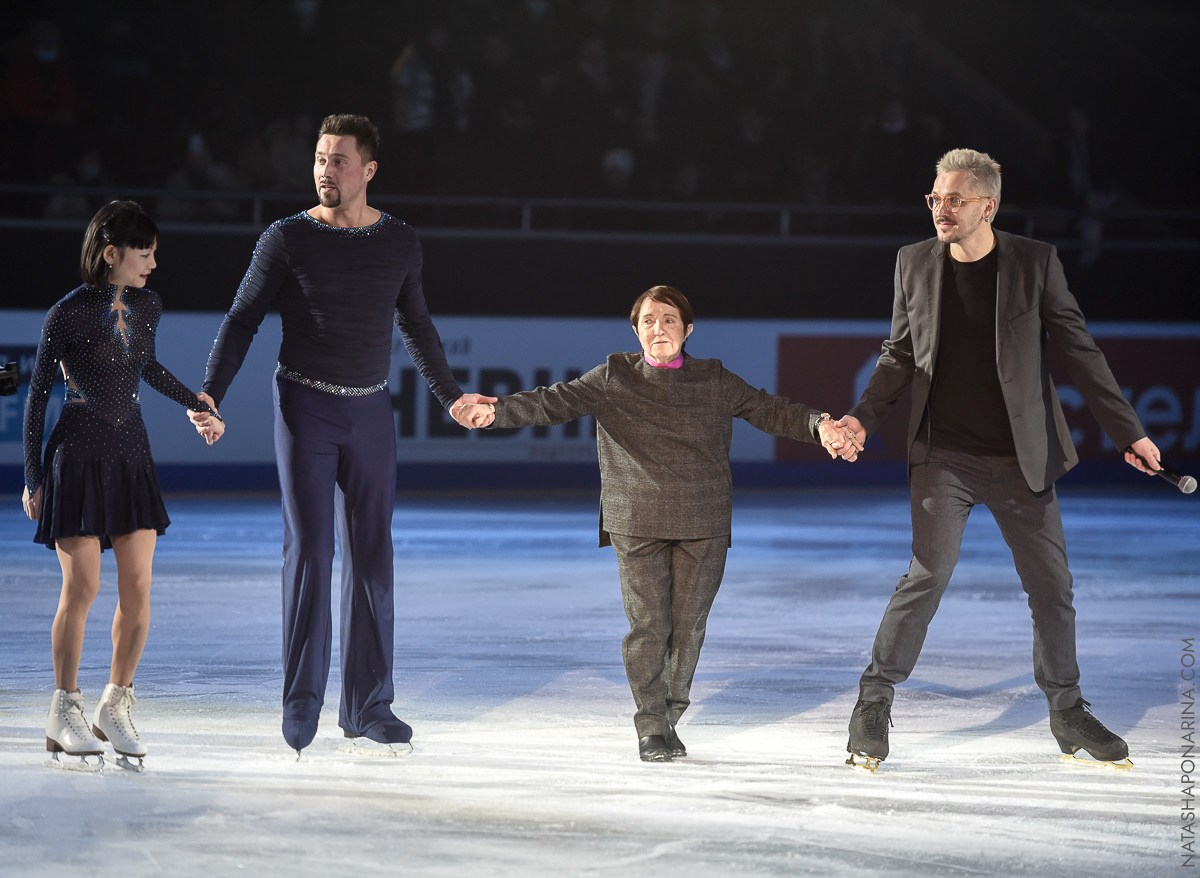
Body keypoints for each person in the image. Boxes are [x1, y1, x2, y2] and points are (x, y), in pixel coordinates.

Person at [834, 148, 1161, 771]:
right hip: (942, 454)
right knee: (927, 575)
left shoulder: (1035, 263)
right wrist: (862, 417)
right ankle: (873, 704)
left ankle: (1067, 713)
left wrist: (1129, 431)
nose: (941, 209)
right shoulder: (912, 263)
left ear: (989, 204)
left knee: (1052, 587)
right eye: (934, 198)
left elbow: (1080, 351)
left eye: (954, 199)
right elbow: (899, 354)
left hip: (1021, 457)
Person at [191, 114, 493, 757]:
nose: (326, 171)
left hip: (370, 412)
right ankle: (301, 704)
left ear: (368, 170)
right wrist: (211, 390)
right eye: (320, 159)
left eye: (338, 160)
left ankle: (368, 707)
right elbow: (242, 319)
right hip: (304, 405)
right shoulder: (286, 238)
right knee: (310, 551)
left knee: (372, 555)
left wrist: (450, 396)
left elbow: (417, 326)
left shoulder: (400, 242)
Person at [460, 285, 857, 761]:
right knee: (649, 625)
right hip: (637, 518)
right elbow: (552, 402)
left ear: (687, 331)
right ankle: (650, 725)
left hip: (704, 518)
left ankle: (668, 714)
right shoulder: (613, 376)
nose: (658, 328)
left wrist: (820, 425)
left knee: (688, 628)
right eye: (648, 320)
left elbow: (771, 410)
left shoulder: (713, 379)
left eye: (669, 320)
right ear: (636, 330)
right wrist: (496, 410)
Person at [22, 200, 224, 771]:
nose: (153, 264)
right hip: (77, 457)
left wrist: (197, 403)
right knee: (82, 587)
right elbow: (36, 399)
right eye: (144, 253)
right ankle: (64, 709)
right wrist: (34, 476)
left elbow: (148, 368)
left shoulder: (149, 305)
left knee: (138, 587)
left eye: (155, 253)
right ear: (111, 253)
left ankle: (116, 703)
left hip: (131, 453)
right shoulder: (65, 313)